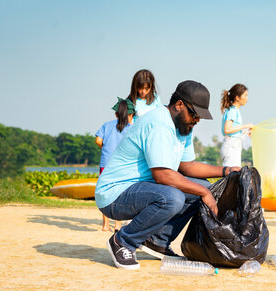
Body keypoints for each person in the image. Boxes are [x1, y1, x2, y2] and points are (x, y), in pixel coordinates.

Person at [96, 80, 240, 270]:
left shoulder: (183, 127)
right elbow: (163, 176)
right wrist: (205, 194)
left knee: (204, 187)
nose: (197, 120)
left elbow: (187, 166)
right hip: (115, 193)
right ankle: (122, 241)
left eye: (200, 117)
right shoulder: (159, 123)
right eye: (195, 114)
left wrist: (227, 171)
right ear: (179, 105)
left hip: (143, 189)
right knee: (174, 197)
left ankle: (158, 240)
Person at [95, 97, 135, 232]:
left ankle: (105, 225)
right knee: (119, 193)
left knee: (104, 192)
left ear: (116, 113)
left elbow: (98, 140)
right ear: (130, 115)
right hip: (121, 165)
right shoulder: (131, 128)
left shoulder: (107, 125)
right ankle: (117, 225)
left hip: (105, 163)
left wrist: (105, 147)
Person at [220, 84, 254, 167]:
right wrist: (245, 126)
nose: (247, 98)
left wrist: (246, 131)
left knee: (234, 174)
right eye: (245, 95)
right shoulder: (232, 111)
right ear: (237, 97)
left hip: (234, 146)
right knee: (231, 175)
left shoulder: (235, 110)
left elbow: (234, 130)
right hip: (231, 147)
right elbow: (227, 130)